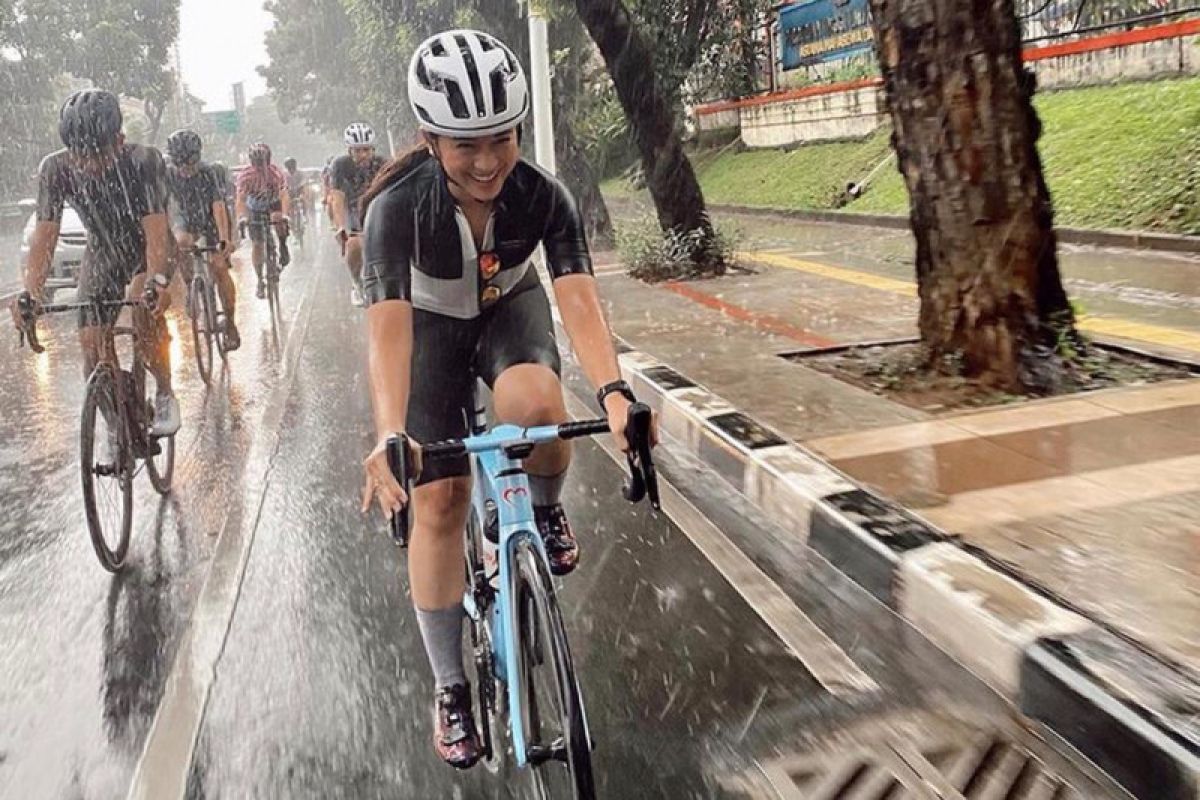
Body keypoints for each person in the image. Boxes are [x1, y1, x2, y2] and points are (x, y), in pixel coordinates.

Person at [358, 30, 658, 770]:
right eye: (465, 145)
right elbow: (389, 332)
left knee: (537, 401)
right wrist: (391, 431)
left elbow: (579, 303)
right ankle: (452, 686)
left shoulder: (542, 196)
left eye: (501, 138)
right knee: (440, 499)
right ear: (429, 138)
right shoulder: (395, 210)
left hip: (507, 315)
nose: (488, 160)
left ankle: (543, 508)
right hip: (428, 332)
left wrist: (616, 393)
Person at [11, 89, 180, 437]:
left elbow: (156, 232)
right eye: (79, 155)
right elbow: (45, 236)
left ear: (119, 140)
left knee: (141, 305)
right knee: (91, 346)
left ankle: (164, 391)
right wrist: (30, 294)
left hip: (147, 247)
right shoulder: (55, 169)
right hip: (103, 251)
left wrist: (157, 283)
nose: (88, 164)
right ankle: (118, 428)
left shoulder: (143, 161)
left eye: (98, 155)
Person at [165, 129, 240, 350]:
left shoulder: (210, 172)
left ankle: (230, 323)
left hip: (211, 219)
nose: (187, 170)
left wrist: (224, 239)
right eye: (182, 164)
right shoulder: (168, 175)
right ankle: (190, 285)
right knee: (181, 243)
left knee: (219, 267)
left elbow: (218, 208)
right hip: (186, 219)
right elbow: (162, 209)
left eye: (191, 163)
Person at [328, 122, 386, 307]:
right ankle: (356, 282)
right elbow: (337, 198)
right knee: (353, 245)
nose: (362, 155)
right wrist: (340, 227)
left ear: (373, 149)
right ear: (349, 150)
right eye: (357, 151)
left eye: (366, 150)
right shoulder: (340, 165)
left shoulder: (383, 163)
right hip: (353, 208)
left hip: (379, 206)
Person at [235, 142, 291, 299]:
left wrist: (285, 215)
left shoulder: (276, 173)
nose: (259, 166)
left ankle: (282, 244)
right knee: (258, 245)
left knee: (277, 218)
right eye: (256, 163)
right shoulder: (245, 176)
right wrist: (242, 218)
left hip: (273, 204)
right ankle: (260, 279)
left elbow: (284, 195)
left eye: (263, 162)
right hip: (255, 209)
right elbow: (240, 200)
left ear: (268, 161)